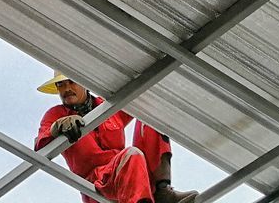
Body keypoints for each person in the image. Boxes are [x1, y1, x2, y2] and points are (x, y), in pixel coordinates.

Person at [35, 72, 198, 203]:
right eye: (60, 84)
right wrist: (57, 128)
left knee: (150, 120)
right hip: (96, 184)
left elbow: (138, 99)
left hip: (131, 174)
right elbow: (40, 145)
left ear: (84, 82)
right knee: (132, 155)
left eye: (71, 82)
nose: (66, 89)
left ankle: (162, 192)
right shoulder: (56, 114)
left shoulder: (105, 106)